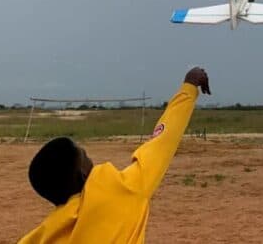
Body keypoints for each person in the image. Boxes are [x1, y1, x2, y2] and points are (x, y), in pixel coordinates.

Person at [18, 67, 211, 243]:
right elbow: (162, 142)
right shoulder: (122, 192)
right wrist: (188, 88)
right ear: (83, 175)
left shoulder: (43, 234)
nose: (92, 161)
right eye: (86, 157)